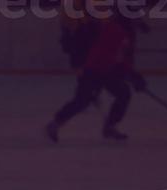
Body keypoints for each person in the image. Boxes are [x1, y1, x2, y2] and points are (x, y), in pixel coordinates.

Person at [45, 13, 147, 142]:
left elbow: (120, 59)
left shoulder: (121, 31)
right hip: (95, 70)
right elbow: (115, 59)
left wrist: (132, 76)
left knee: (123, 93)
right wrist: (133, 76)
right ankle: (55, 124)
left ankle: (110, 127)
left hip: (106, 70)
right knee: (83, 100)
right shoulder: (116, 31)